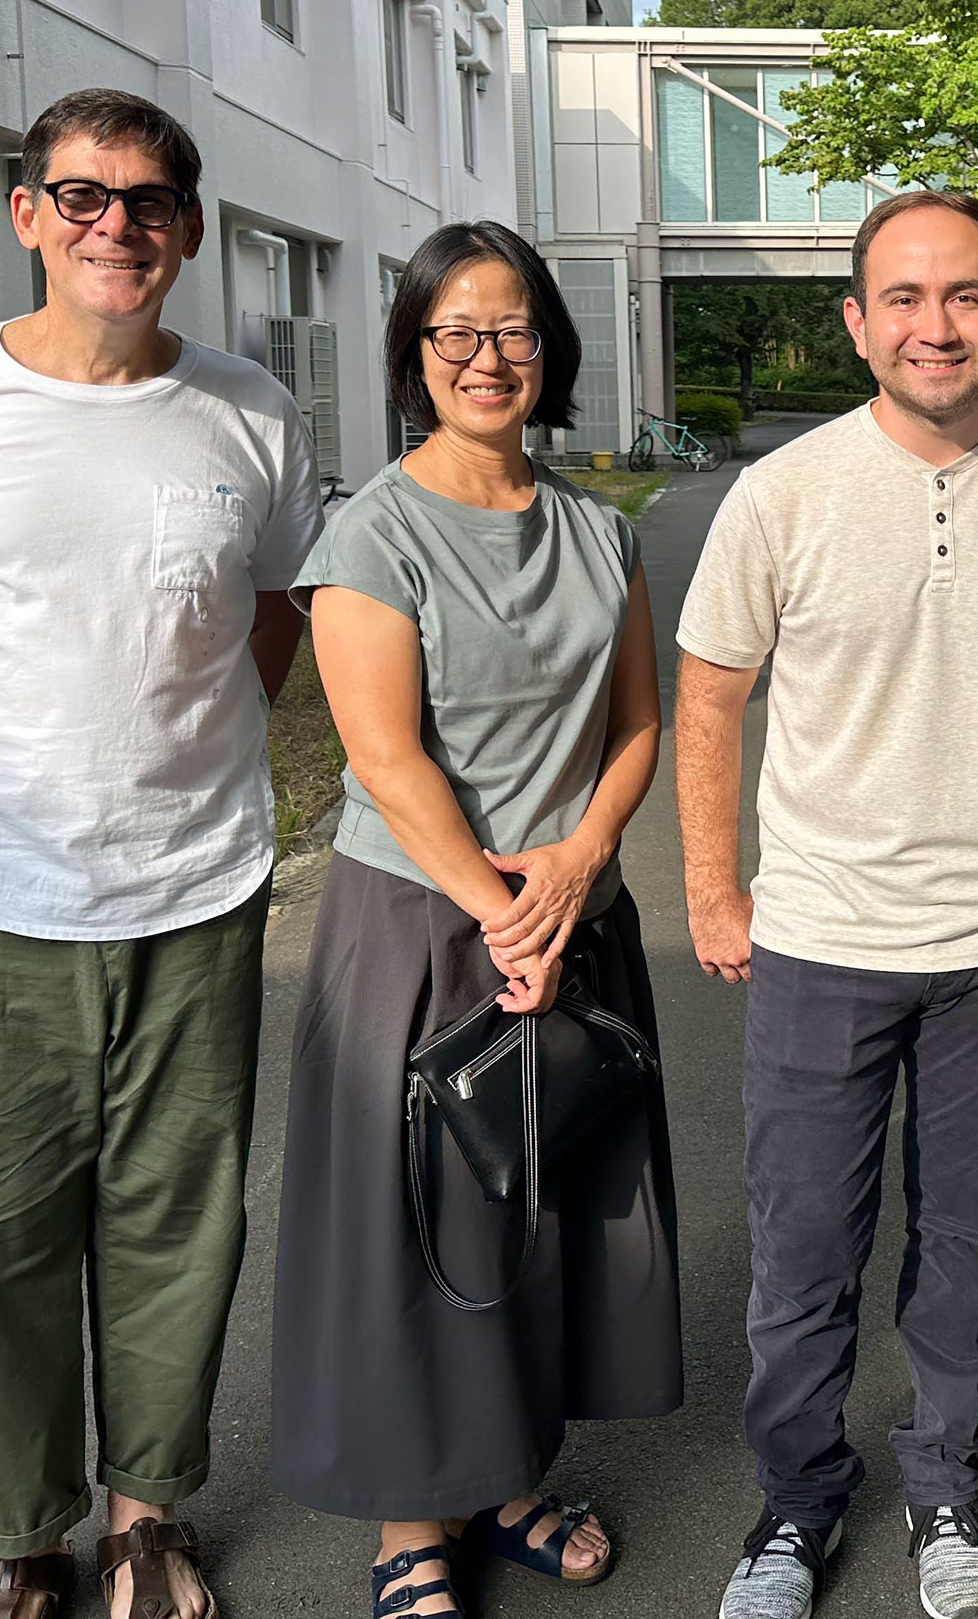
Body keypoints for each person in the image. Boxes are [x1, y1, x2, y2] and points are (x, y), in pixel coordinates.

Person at [0, 88, 323, 1619]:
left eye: (150, 202)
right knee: (0, 1223)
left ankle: (146, 1515)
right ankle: (23, 1533)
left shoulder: (248, 411)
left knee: (179, 1218)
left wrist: (196, 745)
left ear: (190, 230)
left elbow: (274, 610)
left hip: (197, 886)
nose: (117, 226)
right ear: (25, 213)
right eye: (83, 197)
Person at [675, 190, 978, 1619]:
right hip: (822, 933)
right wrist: (713, 885)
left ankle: (945, 1476)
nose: (933, 325)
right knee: (805, 1241)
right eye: (902, 297)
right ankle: (797, 1504)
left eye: (963, 297)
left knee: (966, 1236)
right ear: (857, 322)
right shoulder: (787, 493)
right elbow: (710, 691)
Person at [268, 219, 679, 1619]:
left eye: (514, 330)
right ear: (415, 355)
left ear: (549, 349)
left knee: (542, 1197)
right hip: (427, 923)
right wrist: (508, 906)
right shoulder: (369, 535)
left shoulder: (598, 530)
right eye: (458, 334)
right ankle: (407, 1524)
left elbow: (638, 722)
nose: (489, 357)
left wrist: (580, 860)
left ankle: (506, 1480)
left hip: (573, 907)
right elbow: (385, 758)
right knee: (419, 1222)